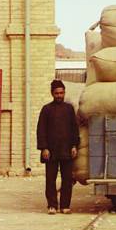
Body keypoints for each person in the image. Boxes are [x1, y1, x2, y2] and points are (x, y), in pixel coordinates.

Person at [36, 79, 79, 215]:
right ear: (52, 94)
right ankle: (52, 205)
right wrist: (44, 148)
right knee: (50, 179)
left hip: (67, 150)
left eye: (61, 93)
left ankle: (65, 206)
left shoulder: (69, 109)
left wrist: (74, 145)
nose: (59, 95)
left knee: (67, 180)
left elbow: (74, 129)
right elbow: (41, 130)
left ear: (64, 93)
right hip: (51, 151)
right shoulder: (46, 109)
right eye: (56, 93)